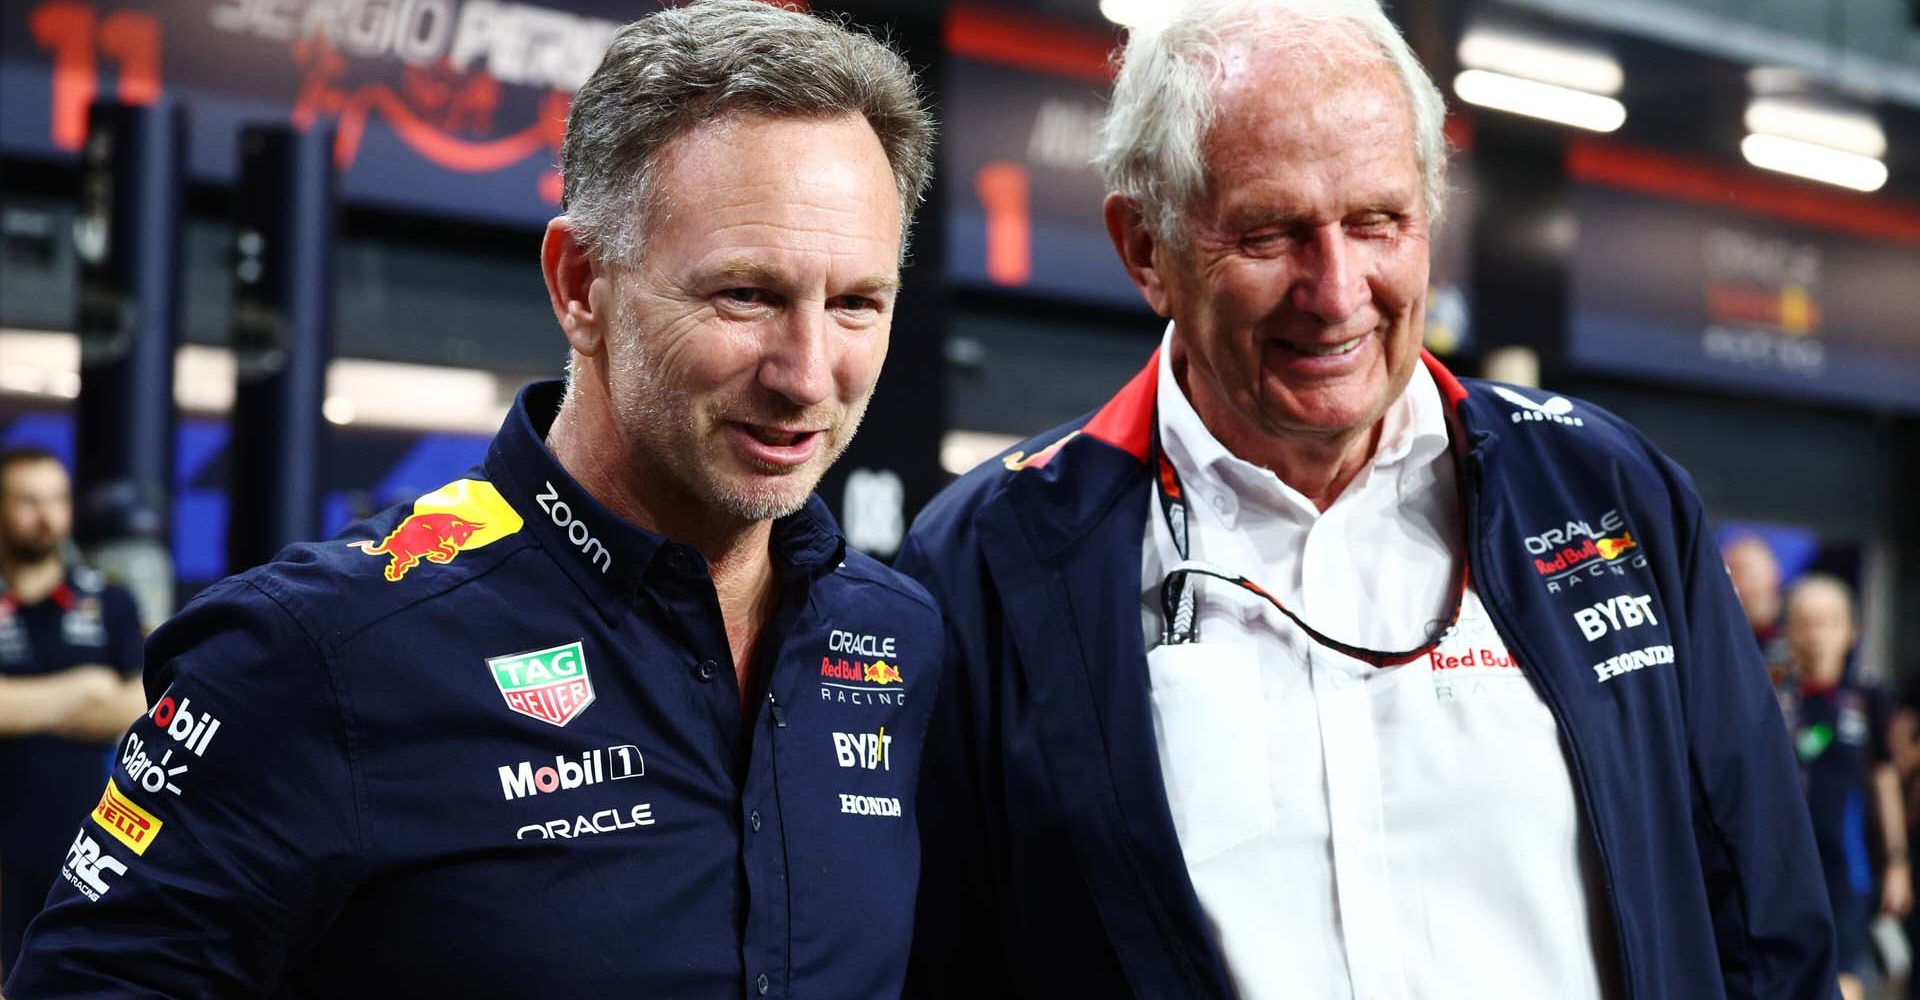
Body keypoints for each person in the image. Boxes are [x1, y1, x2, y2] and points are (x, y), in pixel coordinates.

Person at [897, 0, 1837, 997]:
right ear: (1145, 248)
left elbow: (1766, 926)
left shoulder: (1612, 492)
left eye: (1378, 220)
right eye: (1270, 233)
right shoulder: (991, 561)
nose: (1337, 291)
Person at [6, 2, 939, 996]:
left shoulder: (901, 640)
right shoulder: (316, 654)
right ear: (581, 284)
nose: (807, 373)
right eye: (746, 295)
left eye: (855, 304)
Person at [0, 449, 147, 976]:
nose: (46, 517)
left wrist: (18, 704)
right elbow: (111, 697)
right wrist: (87, 686)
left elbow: (141, 709)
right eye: (28, 501)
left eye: (57, 500)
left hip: (86, 852)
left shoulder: (109, 601)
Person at [1780, 574, 1912, 1000]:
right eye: (1806, 622)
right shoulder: (1776, 694)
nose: (1817, 634)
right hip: (1787, 865)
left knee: (1845, 980)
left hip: (1847, 868)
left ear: (1851, 630)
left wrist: (1896, 862)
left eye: (1828, 622)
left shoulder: (1866, 694)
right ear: (1790, 630)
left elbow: (1885, 779)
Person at [1727, 534, 1791, 678]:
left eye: (1752, 575)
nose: (1743, 586)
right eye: (1732, 576)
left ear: (1775, 575)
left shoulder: (1797, 629)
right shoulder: (1719, 633)